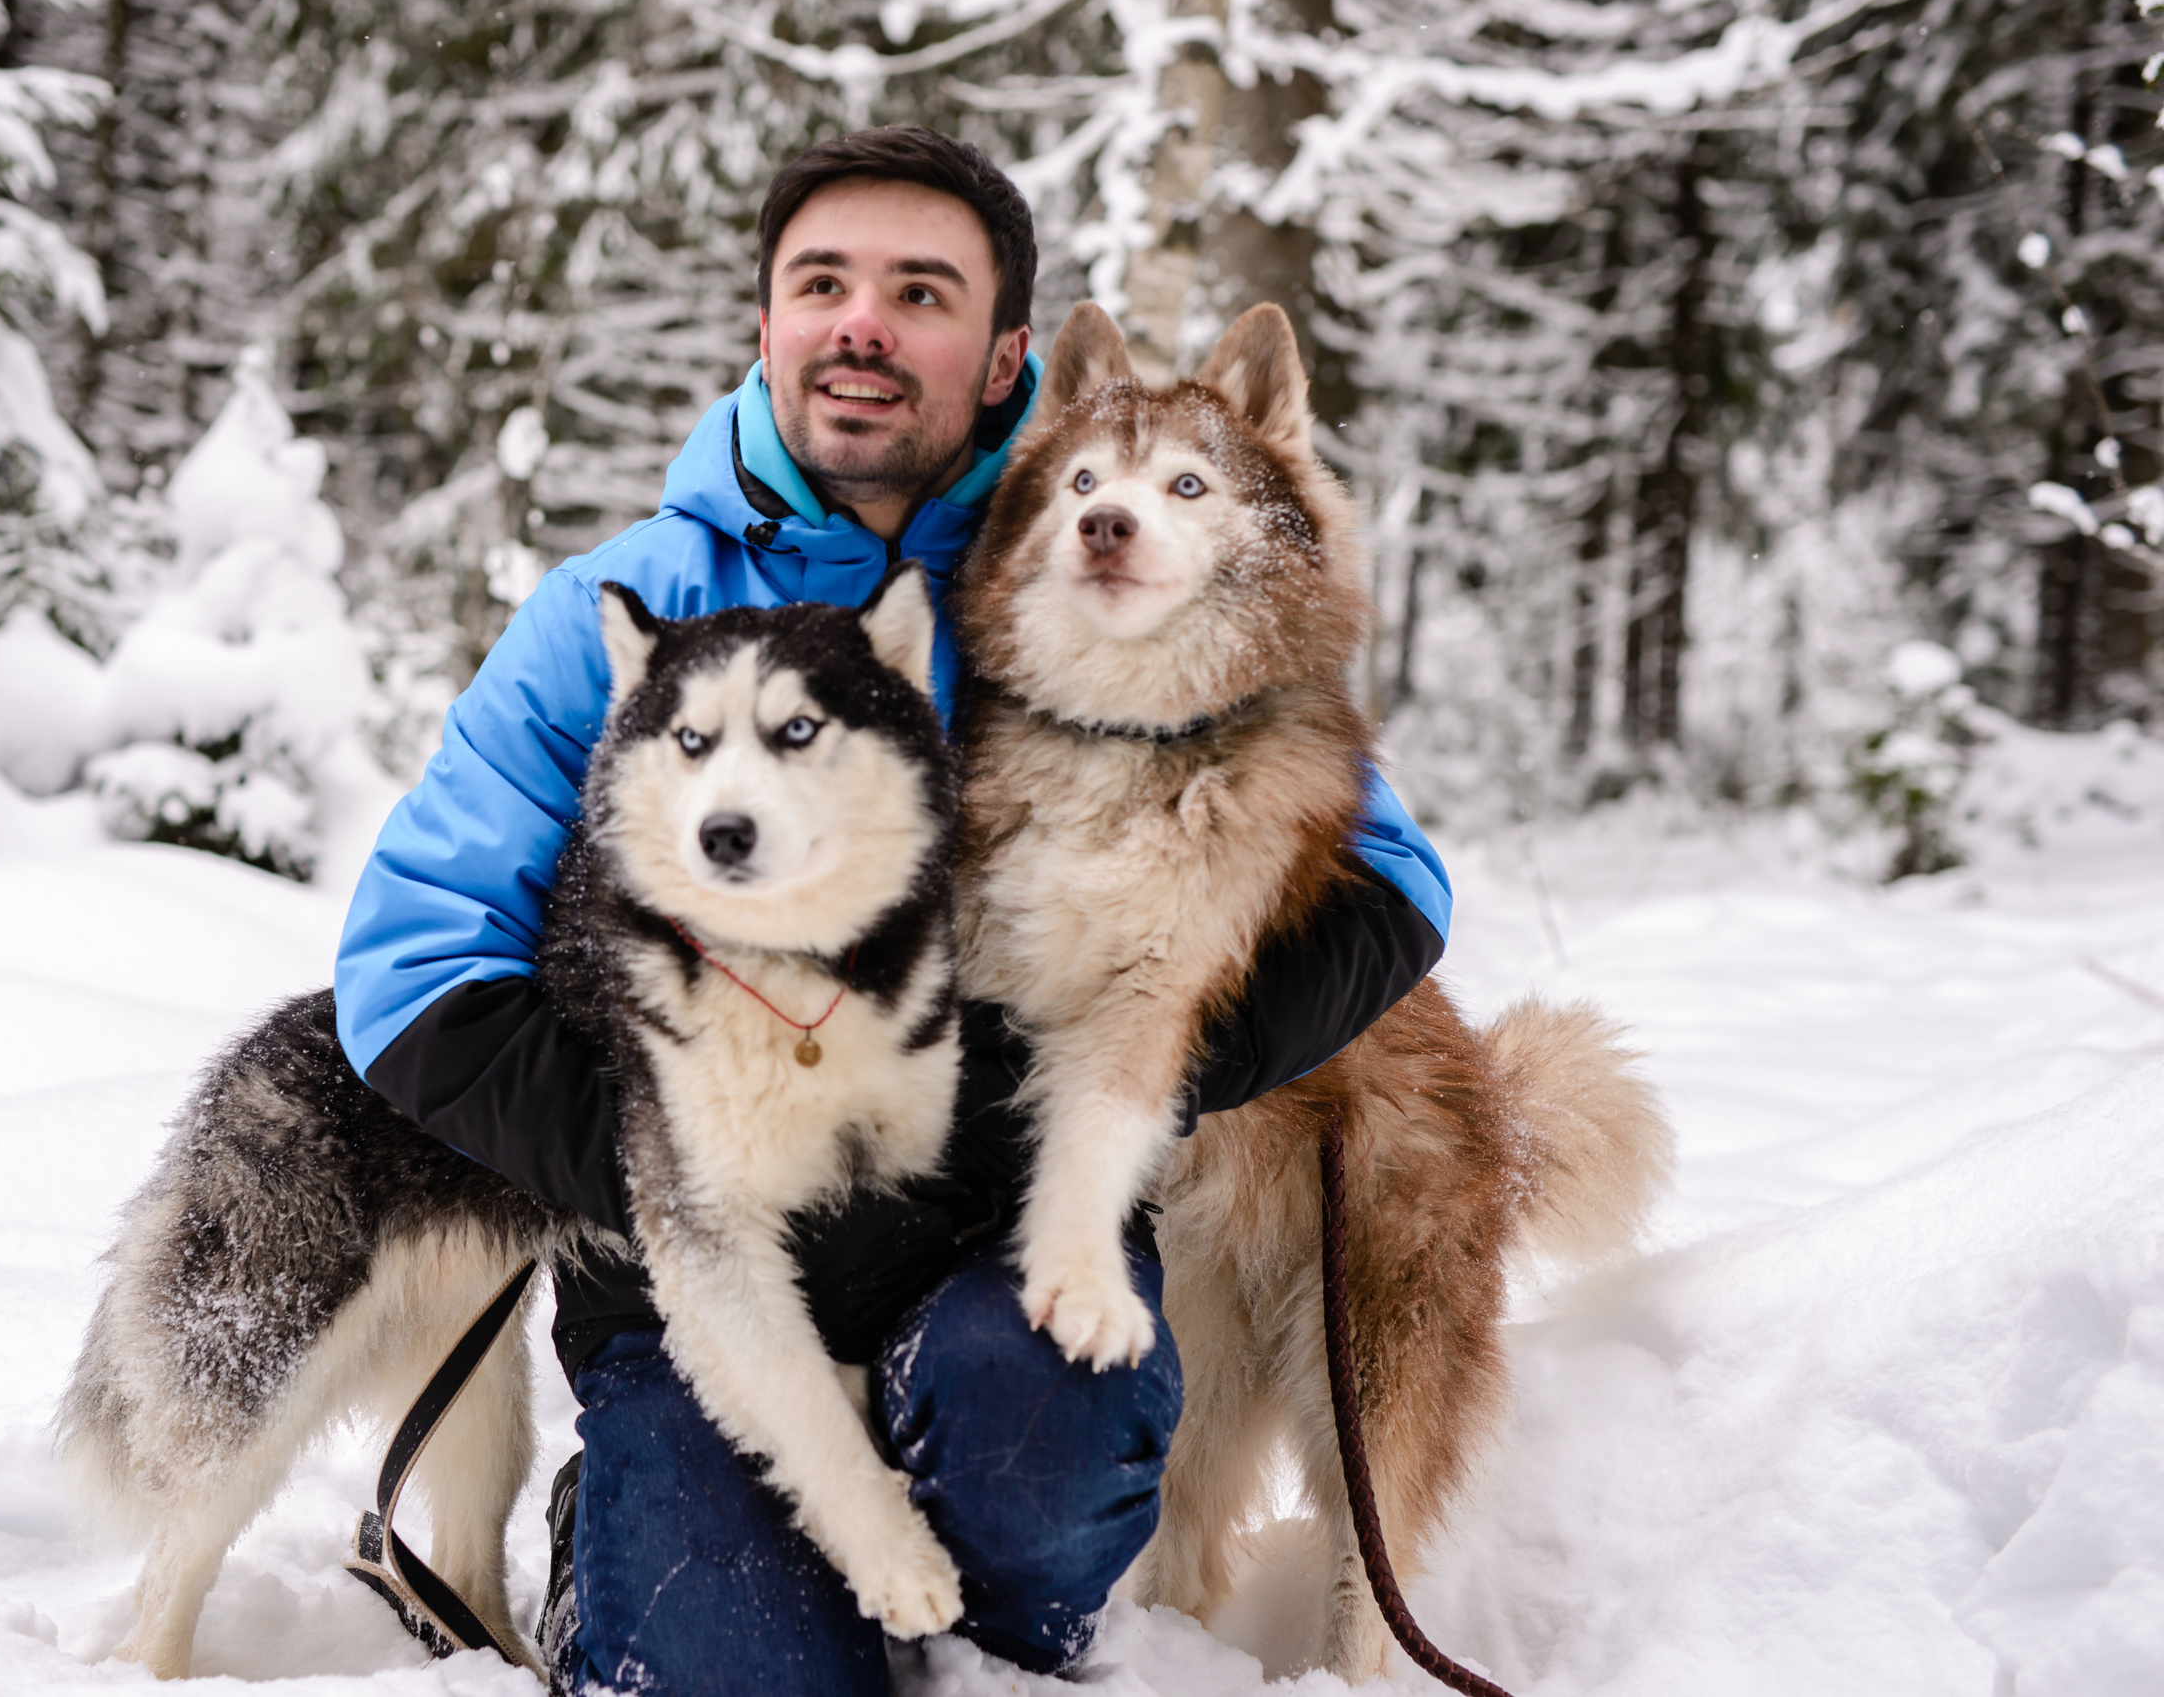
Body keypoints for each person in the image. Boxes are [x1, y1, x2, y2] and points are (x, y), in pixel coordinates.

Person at [334, 126, 1452, 1696]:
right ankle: (645, 1548)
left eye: (918, 292)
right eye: (822, 285)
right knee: (733, 1671)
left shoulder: (1082, 581)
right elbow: (409, 968)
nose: (860, 323)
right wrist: (686, 1167)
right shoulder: (631, 609)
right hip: (707, 1297)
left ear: (1004, 361)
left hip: (1006, 1255)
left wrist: (1143, 1061)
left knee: (1047, 1452)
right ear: (769, 323)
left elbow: (1392, 881)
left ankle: (986, 1635)